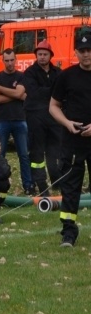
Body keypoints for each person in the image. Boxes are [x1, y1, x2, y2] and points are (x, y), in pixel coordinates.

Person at [48, 28, 91, 248]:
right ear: (75, 52)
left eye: (89, 50)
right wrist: (67, 123)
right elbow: (53, 106)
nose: (86, 54)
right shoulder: (66, 76)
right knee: (70, 189)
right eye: (82, 50)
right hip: (72, 141)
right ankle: (68, 233)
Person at [0, 48, 34, 195]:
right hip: (1, 121)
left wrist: (1, 89)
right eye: (6, 60)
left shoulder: (21, 76)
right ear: (3, 61)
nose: (9, 63)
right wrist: (16, 94)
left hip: (20, 120)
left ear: (16, 60)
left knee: (24, 155)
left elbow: (21, 93)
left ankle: (28, 186)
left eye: (11, 60)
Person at [22, 40, 63, 194]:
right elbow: (34, 93)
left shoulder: (58, 72)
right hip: (35, 117)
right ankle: (41, 187)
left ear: (50, 55)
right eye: (39, 54)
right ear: (36, 55)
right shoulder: (29, 73)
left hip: (54, 117)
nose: (42, 57)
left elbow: (63, 92)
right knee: (37, 153)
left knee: (55, 151)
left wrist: (49, 92)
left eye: (45, 54)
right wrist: (53, 92)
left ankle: (57, 182)